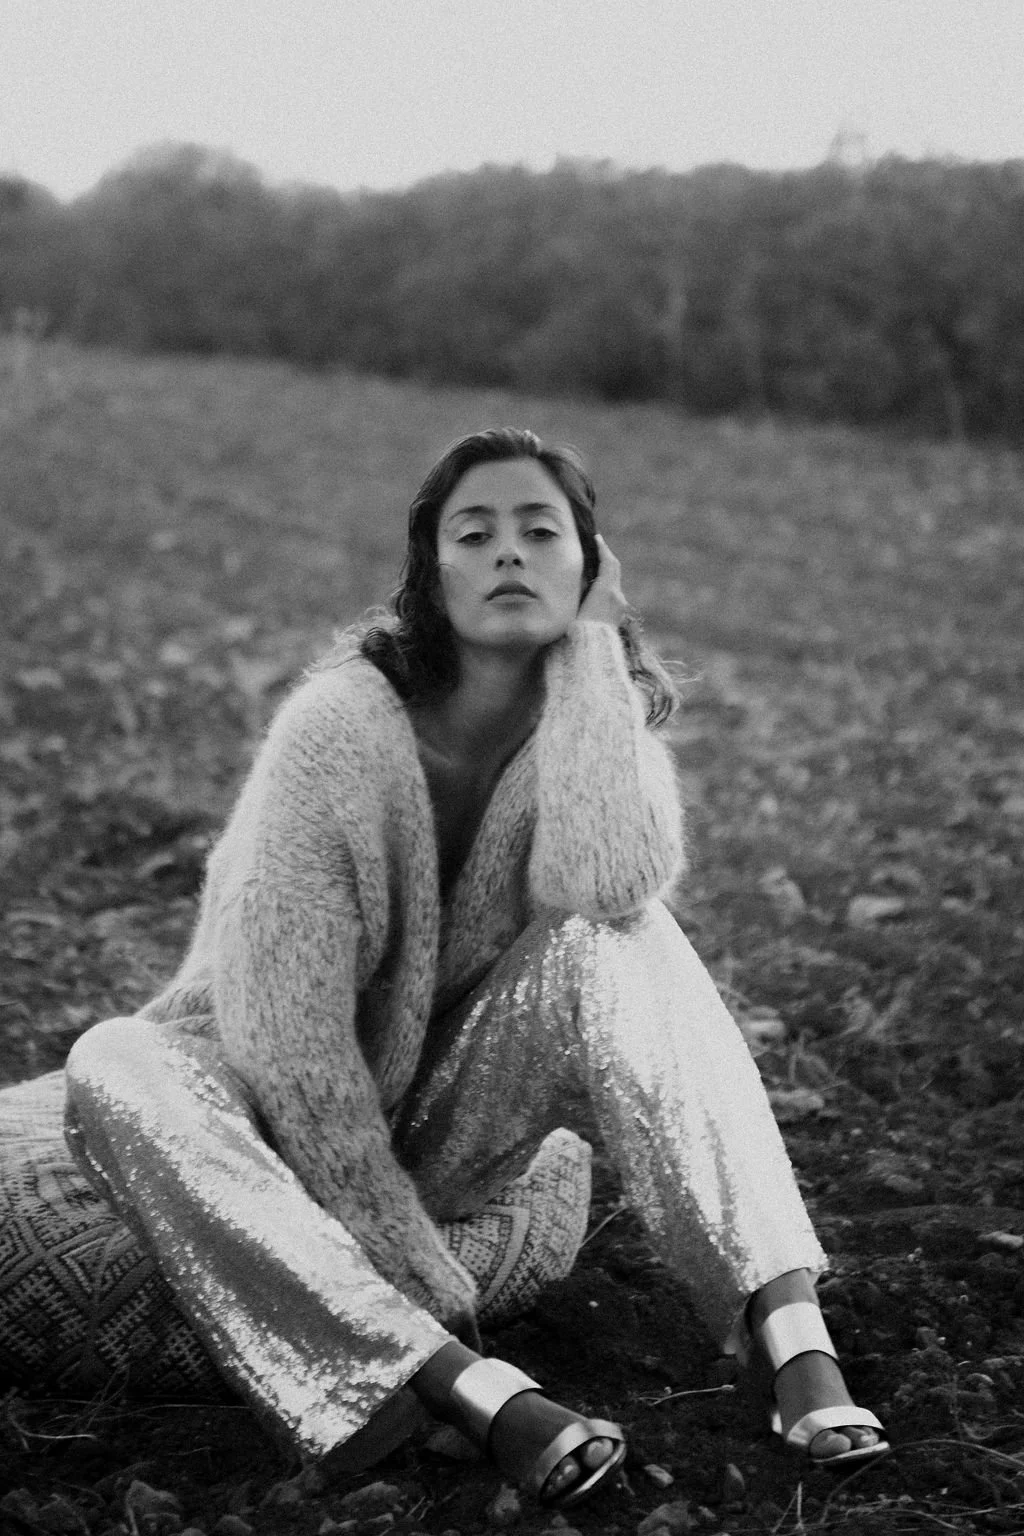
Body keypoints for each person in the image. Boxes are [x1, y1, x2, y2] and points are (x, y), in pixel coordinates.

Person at [0, 428, 887, 1508]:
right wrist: (403, 1264)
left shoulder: (594, 728)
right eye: (476, 532)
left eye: (541, 532)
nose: (509, 552)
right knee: (113, 1055)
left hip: (436, 1117)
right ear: (431, 572)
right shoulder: (334, 732)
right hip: (252, 1113)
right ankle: (462, 1387)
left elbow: (610, 881)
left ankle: (789, 1333)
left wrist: (595, 652)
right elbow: (288, 1043)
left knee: (624, 937)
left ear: (589, 565)